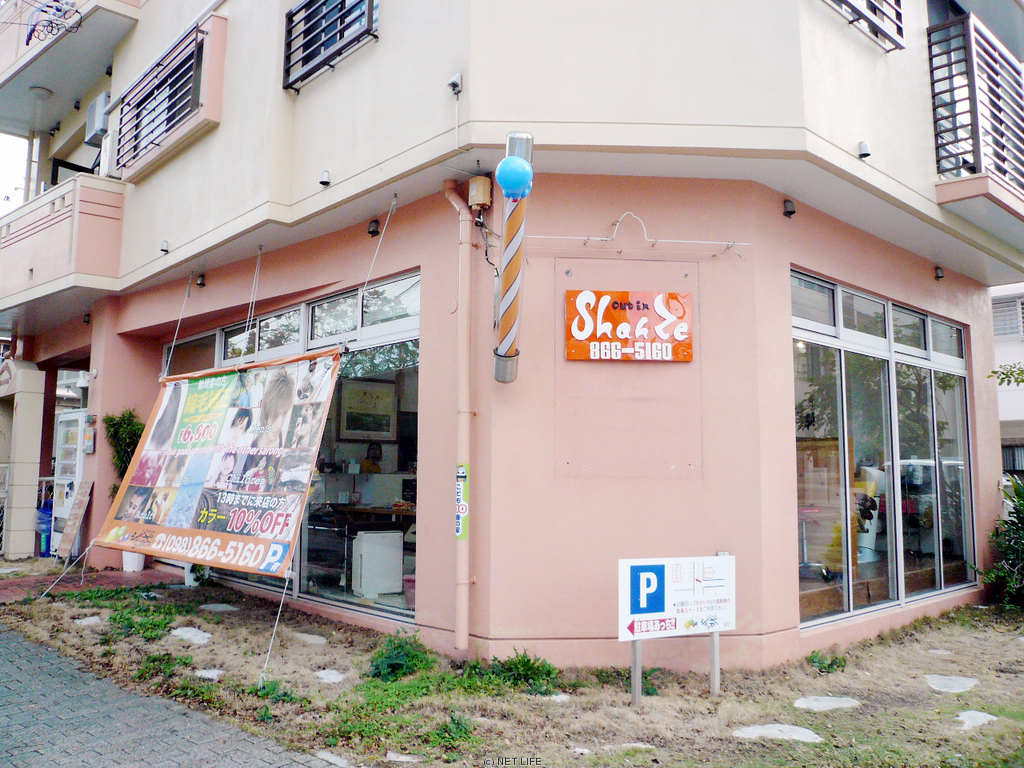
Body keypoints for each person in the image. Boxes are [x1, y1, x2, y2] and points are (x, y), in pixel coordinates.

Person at [253, 369, 294, 448]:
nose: (279, 424)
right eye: (275, 414)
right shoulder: (250, 443)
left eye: (284, 414)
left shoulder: (287, 440)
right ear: (266, 411)